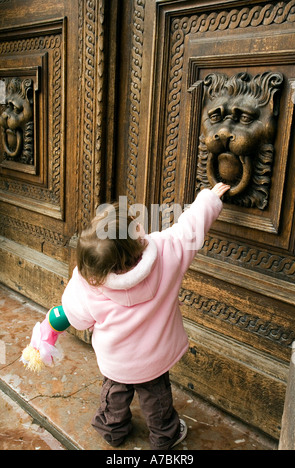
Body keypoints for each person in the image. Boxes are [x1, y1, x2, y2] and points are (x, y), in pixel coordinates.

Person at [61, 182, 230, 450]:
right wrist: (208, 199)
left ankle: (111, 429)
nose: (140, 225)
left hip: (116, 361)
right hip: (153, 359)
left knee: (114, 394)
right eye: (135, 225)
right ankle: (165, 436)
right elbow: (189, 229)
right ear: (138, 242)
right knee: (157, 399)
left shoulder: (89, 281)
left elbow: (78, 318)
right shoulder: (165, 252)